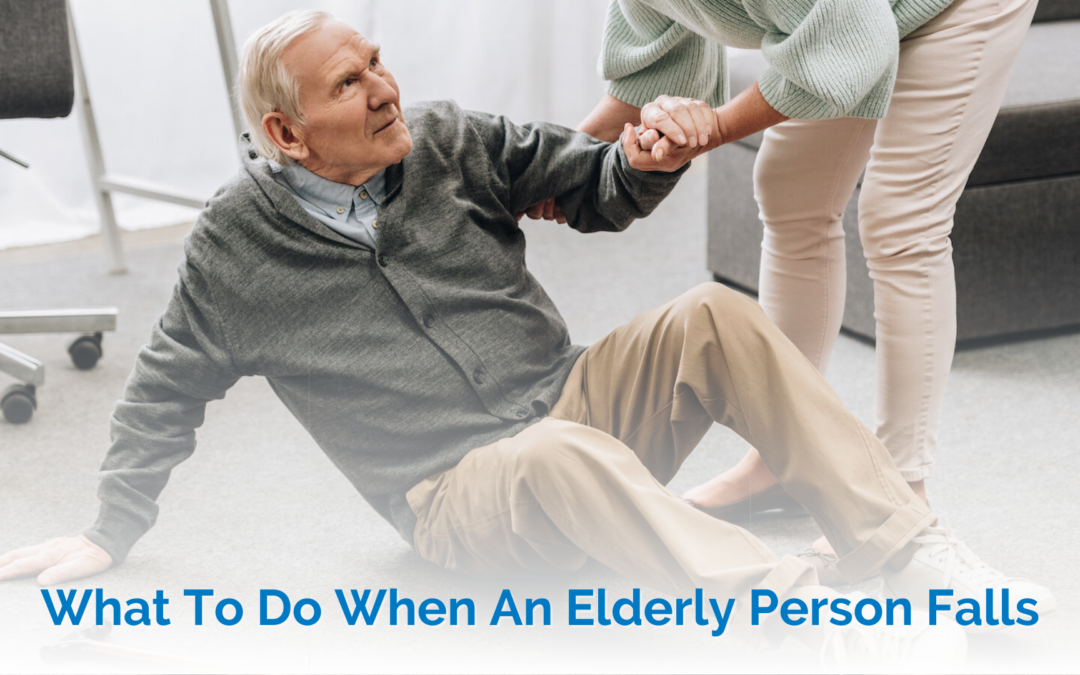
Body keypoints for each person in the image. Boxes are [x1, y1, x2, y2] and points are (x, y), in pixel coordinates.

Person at [0, 10, 1050, 664]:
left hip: (574, 411)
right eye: (349, 84)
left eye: (378, 62)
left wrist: (649, 151)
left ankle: (903, 547)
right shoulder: (236, 249)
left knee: (715, 314)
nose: (385, 89)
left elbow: (592, 190)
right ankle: (767, 599)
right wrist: (110, 529)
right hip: (458, 499)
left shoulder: (446, 139)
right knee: (550, 450)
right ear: (285, 134)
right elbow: (163, 391)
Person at [527, 0, 1040, 579]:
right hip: (852, 19)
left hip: (954, 9)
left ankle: (901, 491)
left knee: (901, 220)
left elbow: (849, 44)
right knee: (792, 194)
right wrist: (552, 166)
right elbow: (653, 72)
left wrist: (716, 128)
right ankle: (781, 464)